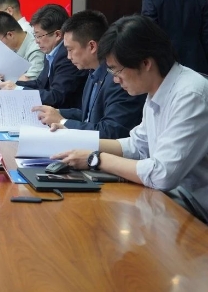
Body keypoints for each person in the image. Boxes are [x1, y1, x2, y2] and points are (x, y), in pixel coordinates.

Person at [52, 15, 208, 212]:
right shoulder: (156, 89)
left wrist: (96, 158)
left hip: (195, 209)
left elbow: (162, 174)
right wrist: (75, 140)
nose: (116, 80)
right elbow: (137, 145)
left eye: (117, 71)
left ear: (145, 63)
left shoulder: (190, 95)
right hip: (170, 198)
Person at [33, 10, 144, 139]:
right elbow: (88, 116)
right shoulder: (93, 72)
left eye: (70, 49)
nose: (68, 56)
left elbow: (111, 131)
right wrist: (57, 112)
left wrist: (62, 121)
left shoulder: (117, 78)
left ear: (92, 46)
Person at [0, 4, 88, 109]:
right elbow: (40, 83)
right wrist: (11, 84)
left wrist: (18, 90)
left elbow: (56, 97)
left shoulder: (66, 56)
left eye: (39, 36)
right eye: (35, 35)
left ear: (57, 35)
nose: (36, 41)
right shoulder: (50, 51)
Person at [0, 11, 44, 80]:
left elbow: (31, 80)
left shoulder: (36, 50)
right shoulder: (11, 48)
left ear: (10, 35)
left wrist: (8, 81)